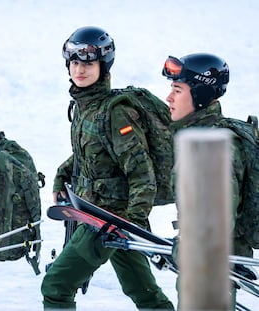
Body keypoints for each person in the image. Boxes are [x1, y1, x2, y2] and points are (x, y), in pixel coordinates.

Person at [41, 26, 175, 310]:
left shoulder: (115, 111)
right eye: (74, 62)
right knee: (144, 294)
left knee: (56, 285)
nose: (80, 69)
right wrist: (62, 176)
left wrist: (132, 223)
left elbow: (142, 173)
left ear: (104, 65)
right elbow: (91, 154)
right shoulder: (85, 106)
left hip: (108, 221)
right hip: (101, 216)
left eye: (88, 63)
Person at [162, 52, 256, 308]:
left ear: (200, 96)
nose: (169, 98)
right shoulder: (200, 136)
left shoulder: (212, 146)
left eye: (178, 90)